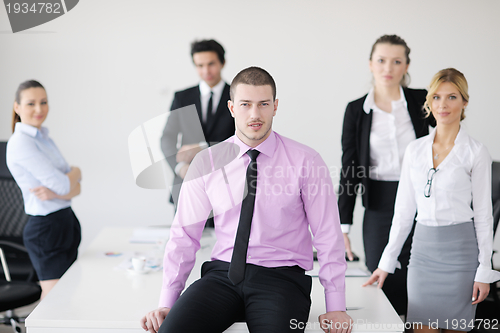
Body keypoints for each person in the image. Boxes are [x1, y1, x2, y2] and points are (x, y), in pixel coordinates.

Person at [141, 67, 352, 333]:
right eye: (245, 104)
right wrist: (167, 301)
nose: (255, 114)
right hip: (221, 277)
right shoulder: (207, 162)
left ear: (275, 106)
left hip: (281, 280)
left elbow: (327, 235)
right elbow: (184, 234)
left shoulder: (306, 161)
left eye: (263, 104)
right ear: (231, 107)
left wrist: (336, 305)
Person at [364, 68, 500, 331]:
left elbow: (483, 216)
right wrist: (386, 263)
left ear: (464, 102)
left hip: (461, 256)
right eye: (436, 97)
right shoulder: (415, 150)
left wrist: (484, 270)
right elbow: (403, 213)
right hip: (423, 255)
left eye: (452, 97)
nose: (443, 105)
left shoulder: (475, 152)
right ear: (428, 102)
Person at [338, 34, 432, 316]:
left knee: (418, 271)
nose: (387, 68)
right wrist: (343, 227)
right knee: (381, 271)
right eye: (381, 60)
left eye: (396, 61)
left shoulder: (423, 100)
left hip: (420, 199)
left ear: (406, 66)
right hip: (378, 201)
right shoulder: (357, 110)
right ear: (370, 64)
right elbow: (349, 168)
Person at [6, 80, 82, 299]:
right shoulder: (21, 143)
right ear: (17, 107)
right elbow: (66, 184)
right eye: (31, 103)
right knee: (56, 306)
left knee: (69, 299)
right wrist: (74, 173)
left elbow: (76, 188)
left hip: (65, 221)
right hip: (46, 229)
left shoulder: (45, 138)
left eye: (43, 102)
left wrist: (69, 182)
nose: (39, 109)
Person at [161, 39, 235, 222]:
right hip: (186, 184)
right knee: (183, 243)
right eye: (200, 65)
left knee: (224, 245)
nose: (206, 71)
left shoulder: (238, 96)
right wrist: (180, 168)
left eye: (211, 64)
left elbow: (243, 141)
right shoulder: (182, 97)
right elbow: (167, 138)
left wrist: (203, 147)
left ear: (222, 63)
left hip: (226, 185)